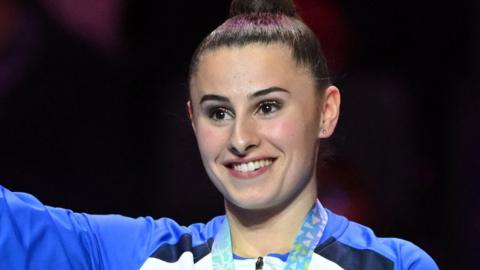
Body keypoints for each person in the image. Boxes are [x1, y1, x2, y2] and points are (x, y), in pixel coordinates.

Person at [0, 0, 439, 269]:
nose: (240, 137)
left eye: (268, 106)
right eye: (218, 112)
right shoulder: (141, 255)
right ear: (193, 123)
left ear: (326, 112)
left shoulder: (394, 264)